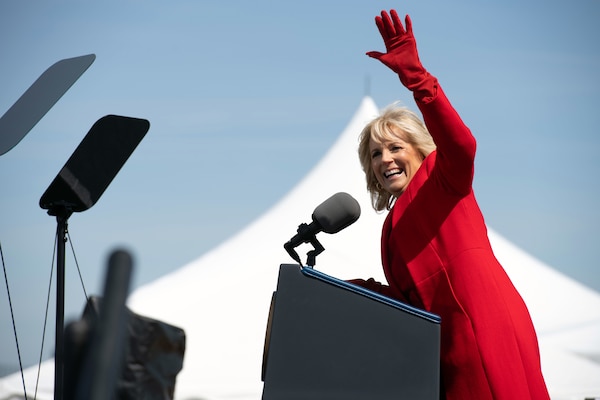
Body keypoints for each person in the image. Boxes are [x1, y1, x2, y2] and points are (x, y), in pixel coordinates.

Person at [350, 9, 550, 399]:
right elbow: (413, 306)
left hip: (485, 327)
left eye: (395, 147)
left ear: (419, 150)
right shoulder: (391, 230)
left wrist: (417, 78)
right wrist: (353, 290)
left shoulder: (442, 179)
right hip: (444, 350)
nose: (385, 159)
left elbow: (462, 144)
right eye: (375, 154)